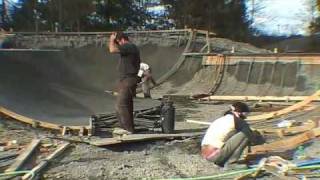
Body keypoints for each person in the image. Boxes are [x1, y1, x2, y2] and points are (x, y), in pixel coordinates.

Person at [201, 102, 263, 167]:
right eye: (246, 114)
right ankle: (232, 163)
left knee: (236, 134)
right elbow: (252, 138)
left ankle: (222, 161)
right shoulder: (237, 121)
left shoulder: (221, 119)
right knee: (245, 135)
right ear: (239, 112)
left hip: (207, 155)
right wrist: (261, 139)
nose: (246, 117)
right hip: (215, 154)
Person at [109, 31, 140, 134]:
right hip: (127, 79)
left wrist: (111, 39)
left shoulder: (128, 46)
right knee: (127, 104)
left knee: (120, 105)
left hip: (128, 79)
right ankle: (129, 128)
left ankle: (127, 129)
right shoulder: (129, 48)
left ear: (121, 39)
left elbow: (112, 50)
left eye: (118, 41)